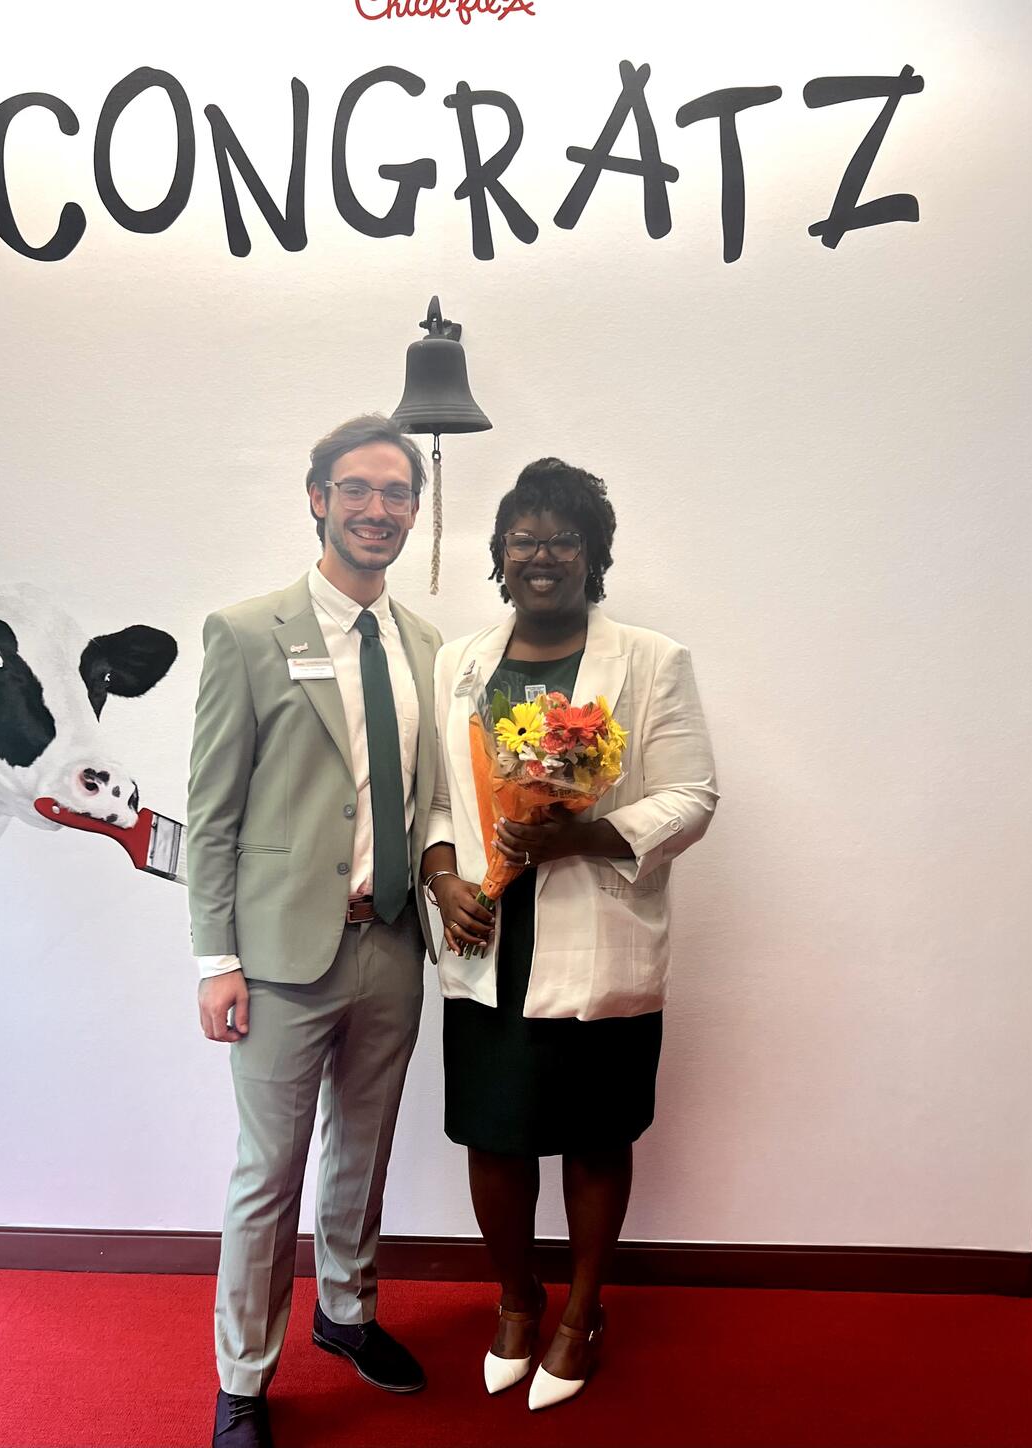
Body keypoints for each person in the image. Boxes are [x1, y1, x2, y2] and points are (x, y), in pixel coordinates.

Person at [420, 457, 718, 1411]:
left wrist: (586, 833)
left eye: (564, 539)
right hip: (485, 940)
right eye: (524, 538)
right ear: (499, 556)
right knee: (493, 1137)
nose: (542, 555)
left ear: (594, 557)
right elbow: (435, 798)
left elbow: (692, 796)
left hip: (596, 937)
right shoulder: (458, 661)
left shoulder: (650, 659)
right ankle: (515, 1300)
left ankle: (583, 1310)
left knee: (593, 1138)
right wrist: (441, 879)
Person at [188, 414, 443, 1448]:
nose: (377, 509)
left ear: (413, 511)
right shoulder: (248, 631)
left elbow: (423, 799)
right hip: (284, 953)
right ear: (317, 497)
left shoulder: (427, 644)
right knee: (269, 1170)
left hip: (391, 944)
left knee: (363, 1149)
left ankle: (348, 1311)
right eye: (358, 489)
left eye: (397, 493)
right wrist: (217, 958)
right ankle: (242, 1375)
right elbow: (213, 811)